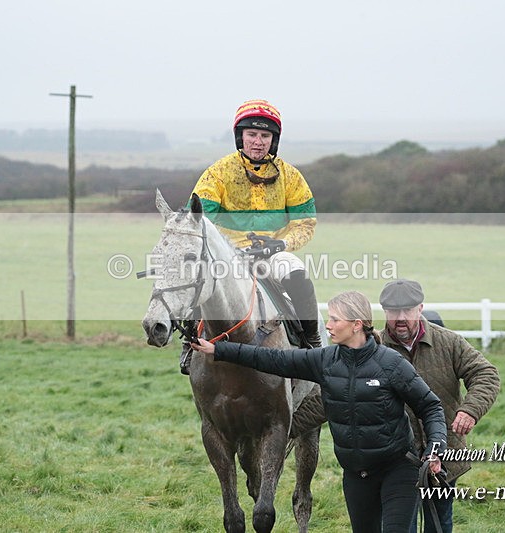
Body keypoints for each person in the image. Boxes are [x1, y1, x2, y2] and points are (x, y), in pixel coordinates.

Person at [191, 290, 447, 532]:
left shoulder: (391, 364)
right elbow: (273, 359)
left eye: (335, 320)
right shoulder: (325, 360)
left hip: (398, 470)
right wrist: (218, 349)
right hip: (356, 475)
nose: (328, 325)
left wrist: (435, 449)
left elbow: (430, 406)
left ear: (356, 325)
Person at [180, 99, 320, 374]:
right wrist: (224, 249)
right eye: (252, 134)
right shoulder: (217, 173)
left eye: (265, 136)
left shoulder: (291, 176)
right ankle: (189, 342)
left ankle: (312, 341)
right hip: (227, 255)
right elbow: (198, 220)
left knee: (297, 273)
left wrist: (281, 244)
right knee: (198, 275)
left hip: (272, 254)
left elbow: (306, 223)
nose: (258, 142)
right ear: (240, 136)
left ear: (273, 140)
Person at [378, 279, 501, 533]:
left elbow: (486, 374)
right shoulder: (374, 348)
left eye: (407, 310)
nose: (400, 318)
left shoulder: (449, 342)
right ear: (384, 311)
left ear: (420, 308)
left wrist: (470, 410)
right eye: (393, 311)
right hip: (395, 456)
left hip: (444, 452)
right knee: (400, 526)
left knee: (439, 524)